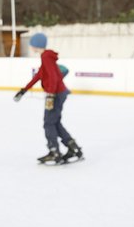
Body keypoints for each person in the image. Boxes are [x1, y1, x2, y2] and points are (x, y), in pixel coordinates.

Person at [14, 32, 83, 164]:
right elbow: (39, 75)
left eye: (32, 44)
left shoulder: (46, 57)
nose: (31, 47)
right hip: (59, 93)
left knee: (48, 123)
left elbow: (53, 77)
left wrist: (50, 95)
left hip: (56, 94)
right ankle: (73, 148)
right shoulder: (46, 57)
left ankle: (54, 151)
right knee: (55, 122)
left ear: (36, 45)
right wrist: (24, 90)